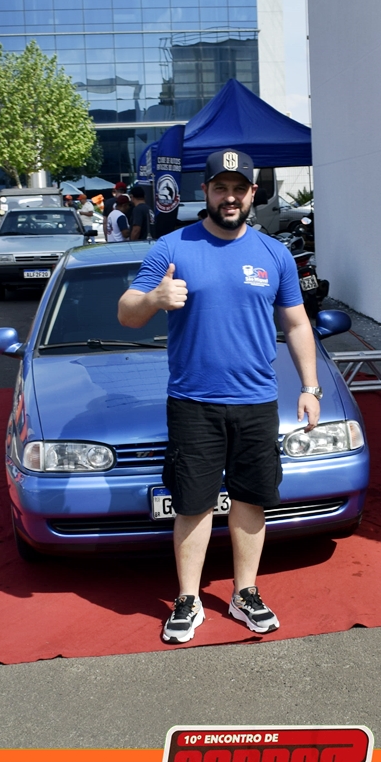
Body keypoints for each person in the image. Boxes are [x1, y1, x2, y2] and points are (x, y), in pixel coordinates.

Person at [118, 148, 321, 644]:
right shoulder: (172, 247)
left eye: (239, 189)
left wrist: (310, 387)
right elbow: (127, 312)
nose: (230, 197)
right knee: (193, 504)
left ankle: (244, 592)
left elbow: (297, 324)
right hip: (194, 401)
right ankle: (188, 598)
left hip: (256, 400)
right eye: (220, 188)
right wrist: (154, 299)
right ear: (205, 192)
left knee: (252, 500)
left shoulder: (274, 254)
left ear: (252, 194)